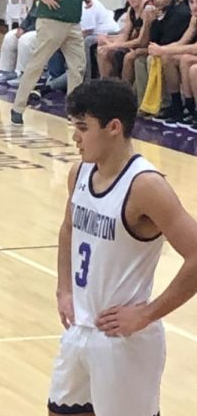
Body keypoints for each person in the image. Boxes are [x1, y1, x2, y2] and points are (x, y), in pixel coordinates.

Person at [48, 78, 197, 416]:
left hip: (124, 340)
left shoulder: (146, 186)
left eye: (83, 128)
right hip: (81, 328)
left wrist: (146, 313)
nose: (75, 137)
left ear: (114, 127)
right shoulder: (80, 173)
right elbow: (69, 229)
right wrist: (63, 289)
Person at [147, 0, 197, 127]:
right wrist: (162, 49)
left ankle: (192, 107)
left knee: (189, 63)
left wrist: (163, 49)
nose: (195, 6)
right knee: (167, 58)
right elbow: (183, 41)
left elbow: (194, 48)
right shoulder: (194, 18)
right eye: (192, 2)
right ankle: (178, 105)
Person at [95, 0, 155, 83]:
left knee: (128, 57)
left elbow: (141, 41)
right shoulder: (131, 10)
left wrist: (114, 45)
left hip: (149, 45)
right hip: (135, 44)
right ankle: (107, 86)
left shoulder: (148, 9)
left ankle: (124, 89)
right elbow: (125, 35)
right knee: (102, 50)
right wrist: (108, 43)